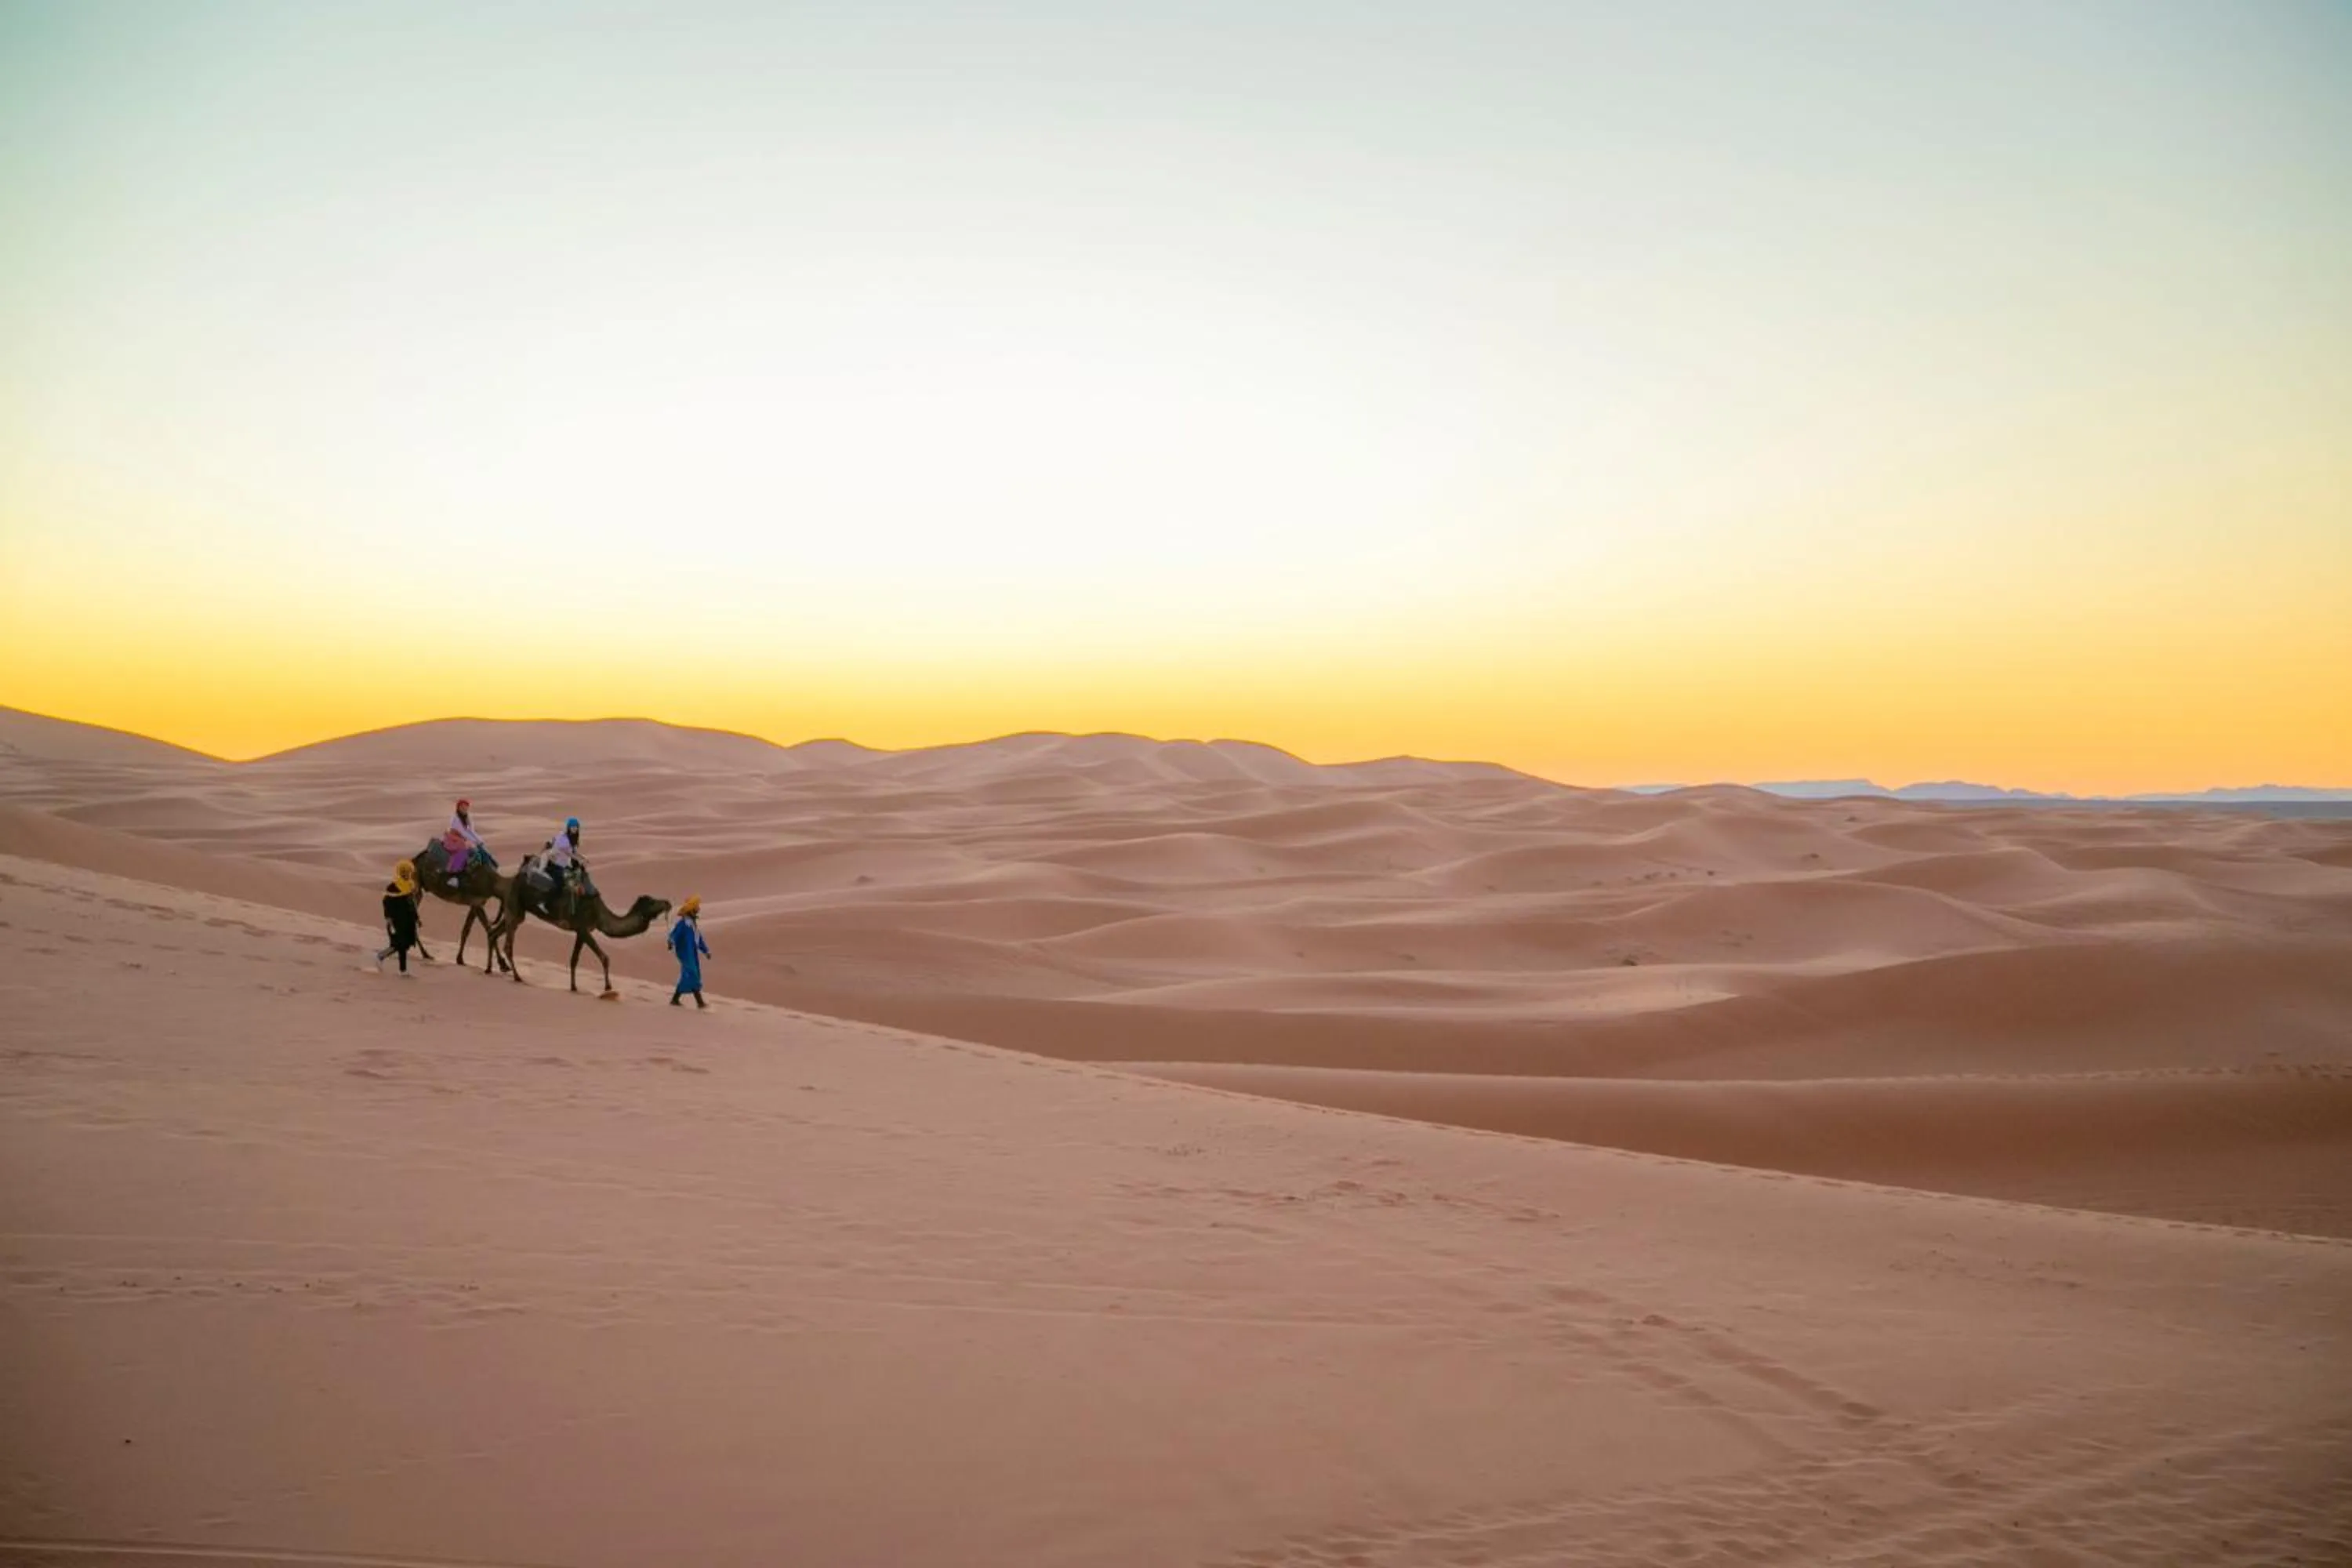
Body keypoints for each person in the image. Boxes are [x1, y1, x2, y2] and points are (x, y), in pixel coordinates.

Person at [376, 860, 424, 974]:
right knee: (398, 945)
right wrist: (388, 918)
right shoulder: (393, 887)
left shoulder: (410, 885)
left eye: (408, 872)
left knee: (405, 946)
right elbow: (386, 903)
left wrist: (417, 919)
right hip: (397, 921)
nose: (406, 874)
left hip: (408, 920)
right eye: (404, 872)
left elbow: (412, 904)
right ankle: (381, 956)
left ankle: (403, 970)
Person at [668, 895, 710, 1008]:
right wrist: (671, 942)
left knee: (689, 974)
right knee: (693, 974)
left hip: (692, 952)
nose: (698, 909)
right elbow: (675, 934)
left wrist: (706, 951)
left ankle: (675, 999)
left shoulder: (692, 924)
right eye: (696, 907)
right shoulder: (683, 924)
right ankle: (700, 1003)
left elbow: (698, 939)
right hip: (685, 952)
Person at [441, 798, 491, 885]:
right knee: (462, 850)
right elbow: (462, 832)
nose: (464, 809)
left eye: (466, 807)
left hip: (465, 839)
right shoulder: (455, 818)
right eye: (462, 807)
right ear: (458, 808)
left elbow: (471, 831)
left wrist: (479, 840)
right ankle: (453, 876)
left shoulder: (468, 818)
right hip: (454, 838)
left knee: (481, 849)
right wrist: (473, 841)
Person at [543, 817, 583, 902]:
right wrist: (579, 859)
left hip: (564, 864)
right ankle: (544, 902)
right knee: (560, 884)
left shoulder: (573, 839)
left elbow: (574, 852)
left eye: (576, 827)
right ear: (568, 828)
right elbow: (568, 853)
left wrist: (583, 858)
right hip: (555, 864)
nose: (575, 829)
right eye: (573, 827)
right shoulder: (563, 838)